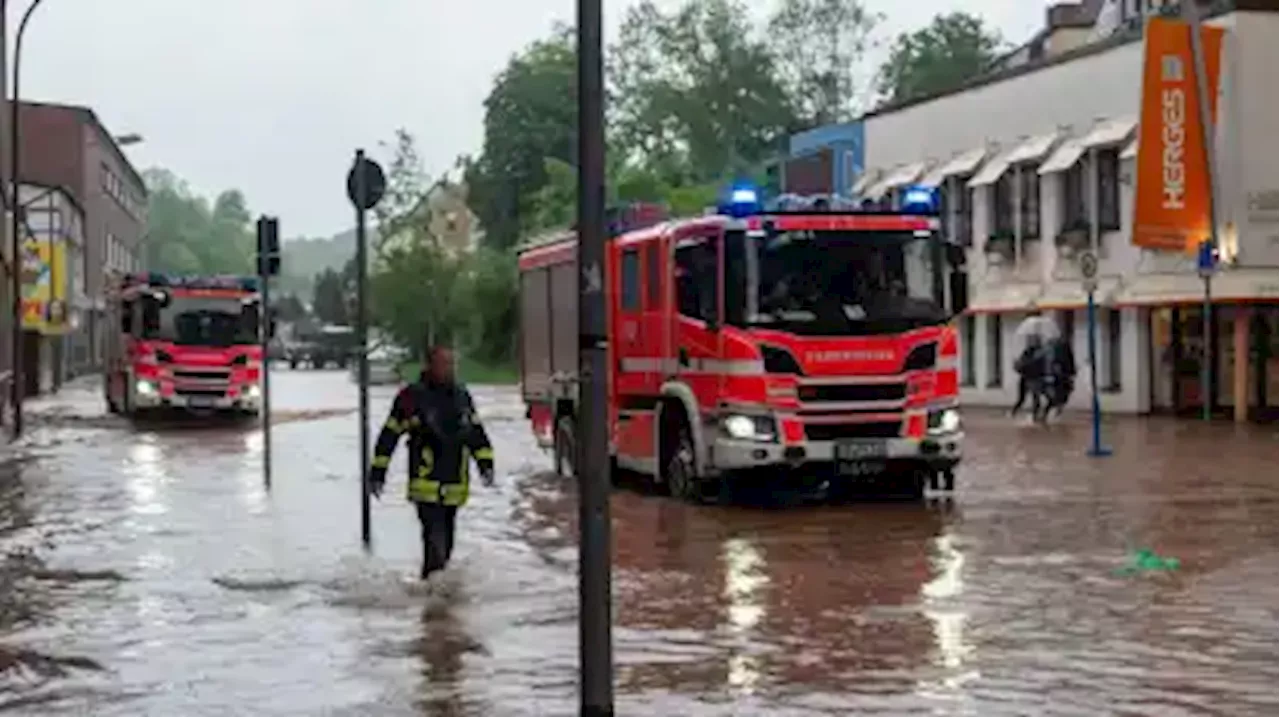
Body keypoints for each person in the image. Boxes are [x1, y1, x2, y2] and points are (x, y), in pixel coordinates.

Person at [368, 342, 496, 580]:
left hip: (455, 485)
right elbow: (389, 435)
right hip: (426, 486)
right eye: (443, 363)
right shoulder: (411, 397)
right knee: (434, 542)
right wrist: (378, 471)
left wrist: (485, 464)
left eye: (451, 363)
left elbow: (476, 433)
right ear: (430, 365)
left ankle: (435, 593)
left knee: (446, 544)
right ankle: (434, 598)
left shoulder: (461, 396)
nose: (449, 368)